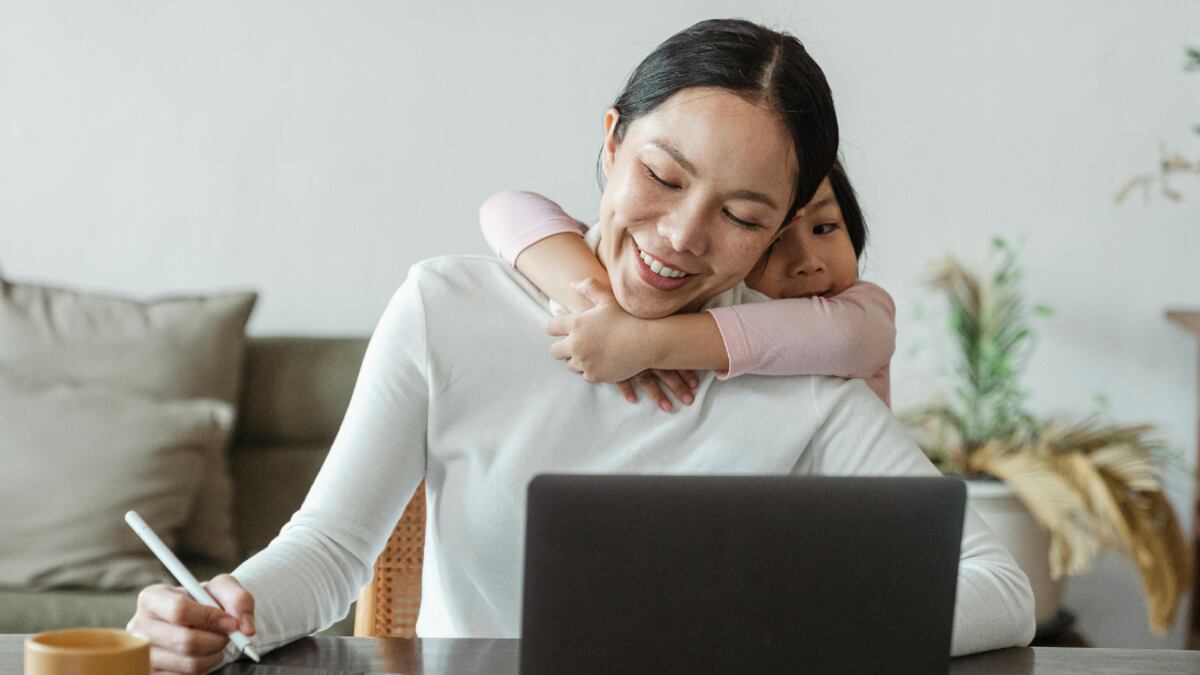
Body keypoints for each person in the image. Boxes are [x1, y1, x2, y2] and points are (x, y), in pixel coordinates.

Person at [127, 18, 1035, 674]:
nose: (681, 236)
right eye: (662, 175)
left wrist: (788, 626)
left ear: (778, 233)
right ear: (610, 141)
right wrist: (219, 609)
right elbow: (328, 553)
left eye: (742, 215)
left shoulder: (803, 379)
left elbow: (1002, 587)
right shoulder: (449, 308)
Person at [478, 158, 895, 409]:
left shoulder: (863, 311)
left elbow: (844, 338)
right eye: (773, 242)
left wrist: (643, 342)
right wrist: (598, 306)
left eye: (825, 227)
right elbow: (507, 208)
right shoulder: (704, 297)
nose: (808, 262)